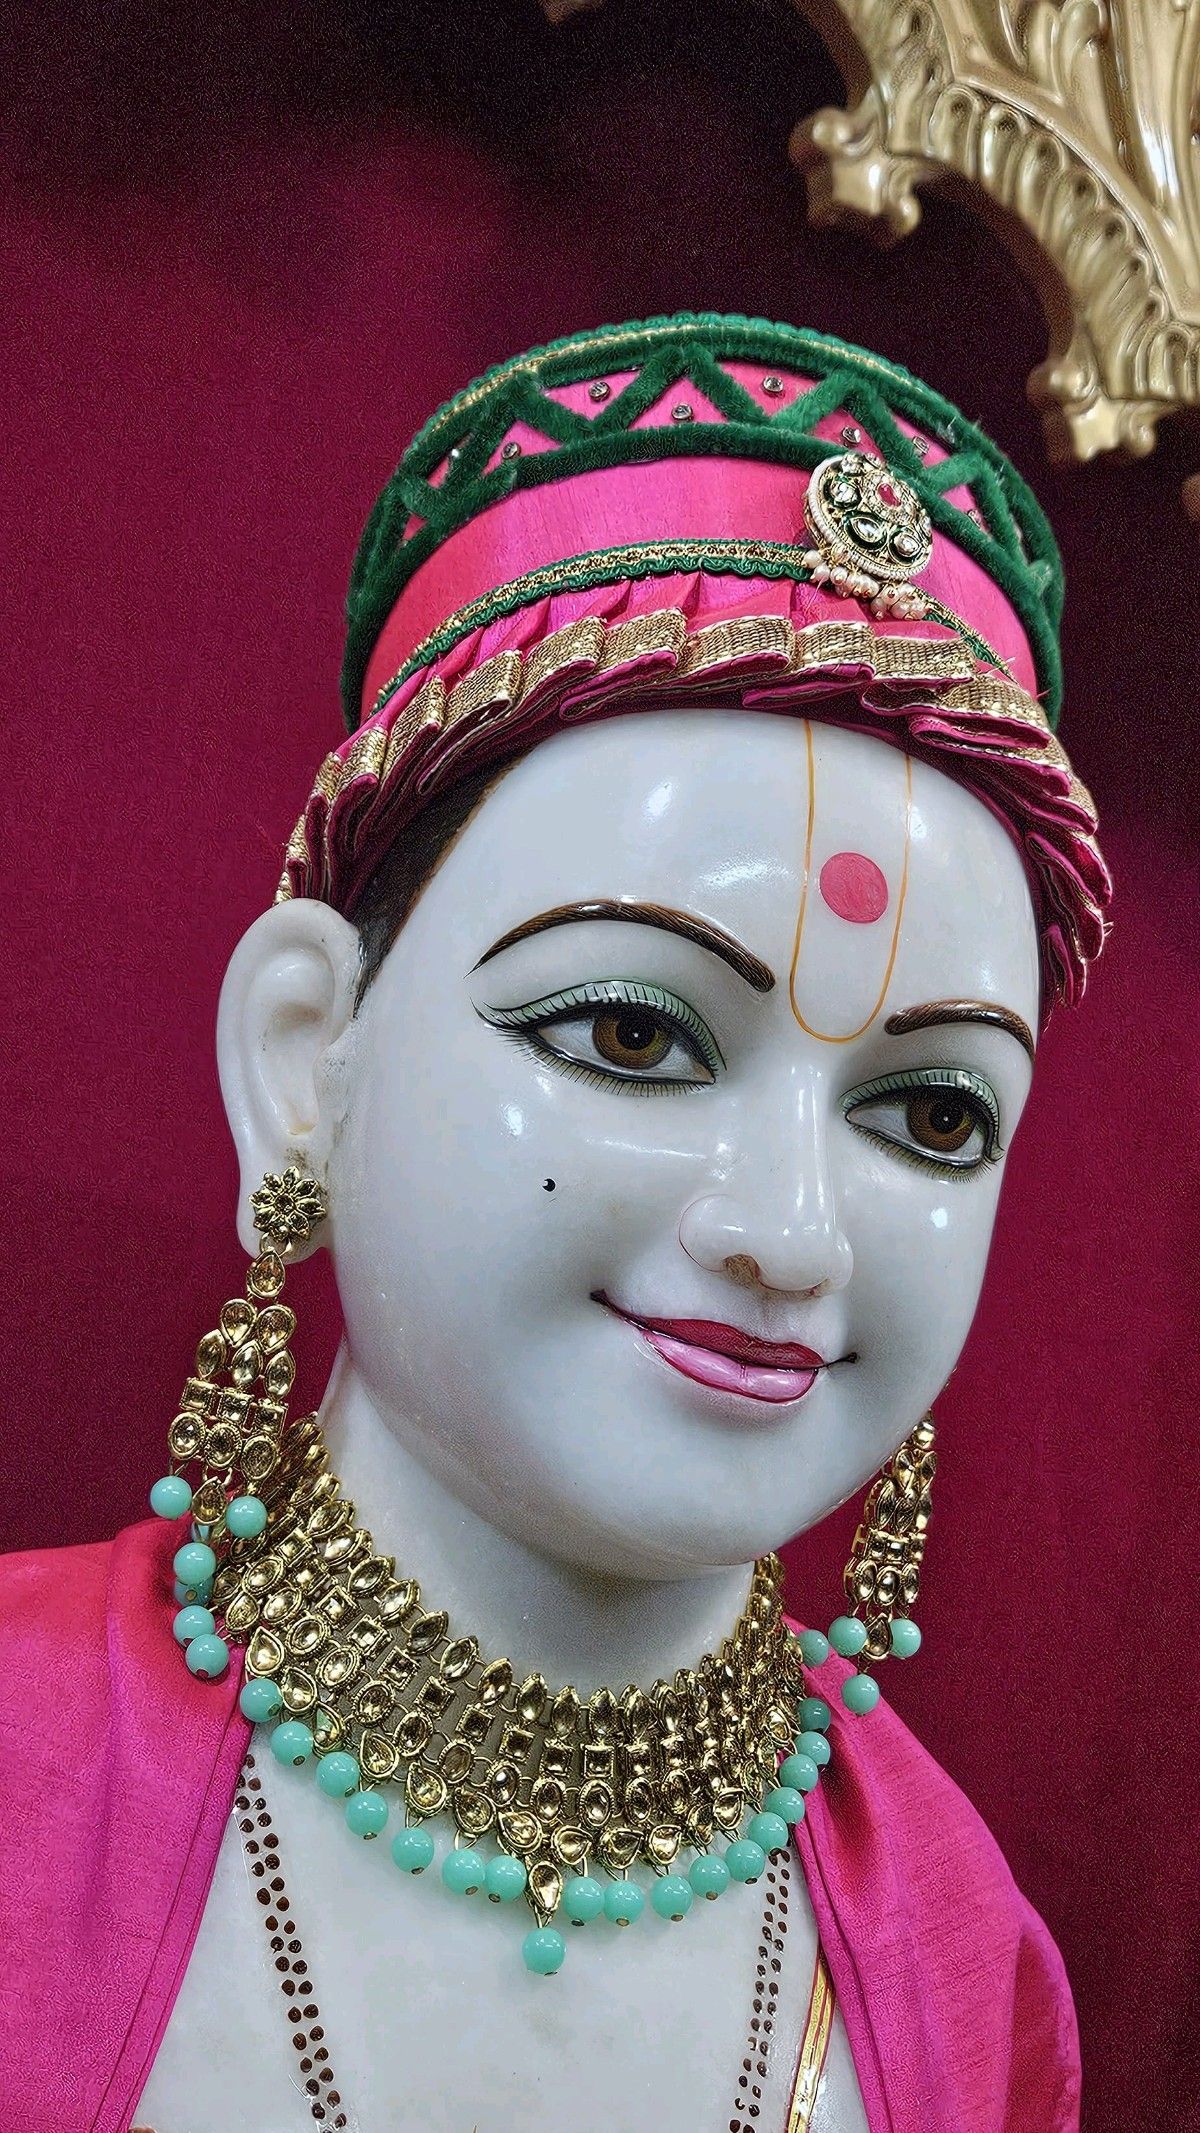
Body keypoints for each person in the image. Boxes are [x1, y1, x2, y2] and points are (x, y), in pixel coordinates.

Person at [1, 315, 1109, 2133]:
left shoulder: (963, 1966)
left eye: (930, 1112)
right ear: (306, 1059)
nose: (791, 1233)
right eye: (635, 1034)